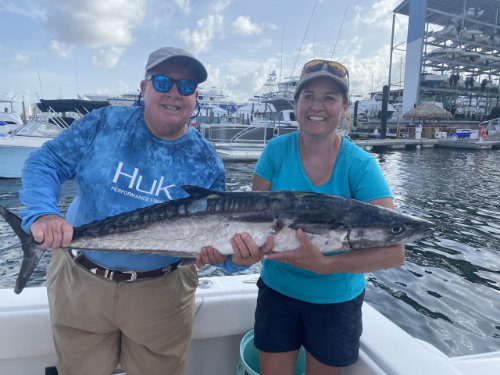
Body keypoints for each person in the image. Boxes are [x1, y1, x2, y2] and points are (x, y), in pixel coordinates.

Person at [18, 47, 248, 375]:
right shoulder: (104, 124)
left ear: (195, 96)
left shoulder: (207, 161)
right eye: (164, 82)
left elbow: (215, 238)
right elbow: (46, 161)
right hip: (81, 280)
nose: (174, 93)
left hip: (164, 294)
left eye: (185, 86)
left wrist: (235, 259)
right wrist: (43, 213)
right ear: (144, 88)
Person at [198, 59, 405, 375]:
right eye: (308, 95)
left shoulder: (361, 165)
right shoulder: (275, 151)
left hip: (336, 300)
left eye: (330, 97)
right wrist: (239, 255)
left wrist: (325, 265)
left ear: (345, 107)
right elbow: (252, 225)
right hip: (278, 293)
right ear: (295, 104)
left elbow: (394, 252)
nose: (317, 106)